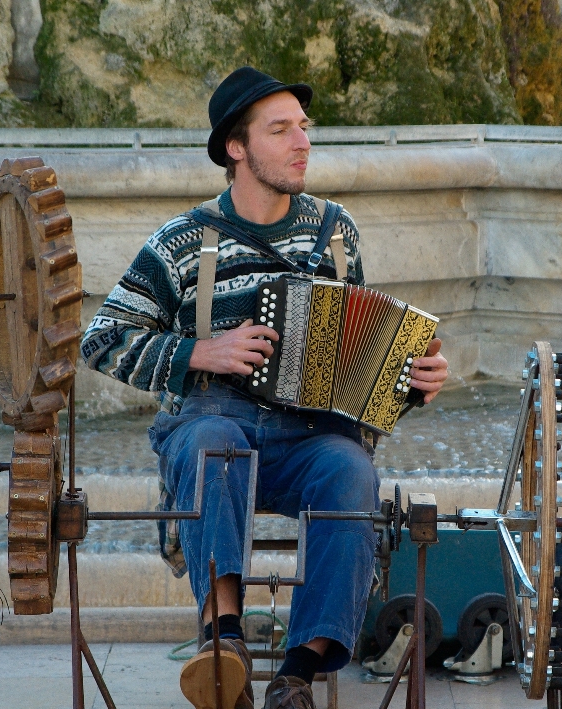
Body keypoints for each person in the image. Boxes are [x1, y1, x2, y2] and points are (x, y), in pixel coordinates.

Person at [80, 66, 448, 709]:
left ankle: (296, 674)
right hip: (213, 422)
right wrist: (201, 350)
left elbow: (355, 365)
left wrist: (411, 381)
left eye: (303, 128)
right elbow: (102, 339)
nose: (301, 142)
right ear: (236, 148)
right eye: (280, 130)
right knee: (215, 444)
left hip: (309, 435)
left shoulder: (336, 233)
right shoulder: (181, 243)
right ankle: (223, 644)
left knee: (350, 469)